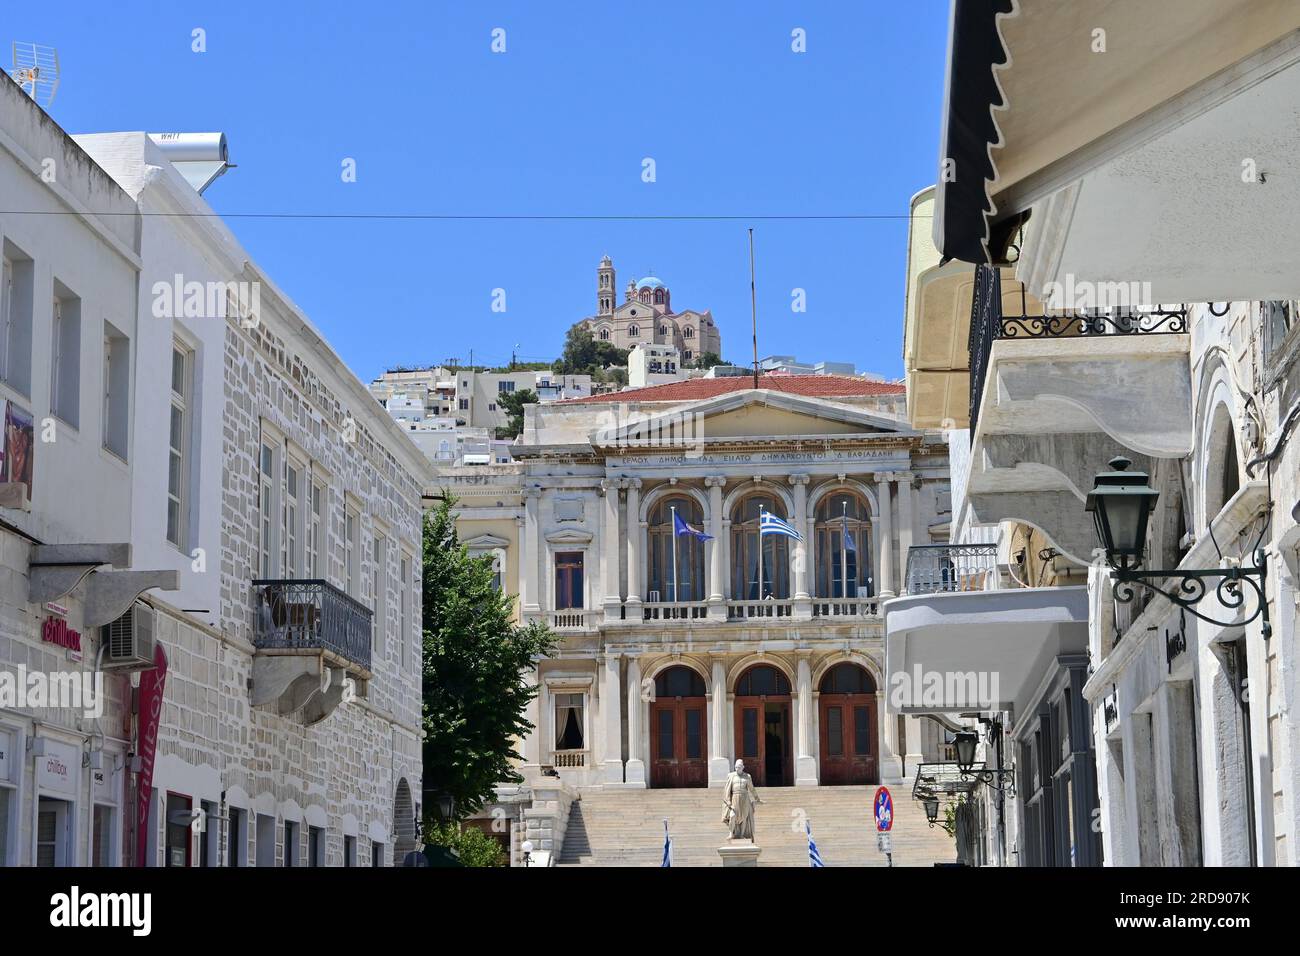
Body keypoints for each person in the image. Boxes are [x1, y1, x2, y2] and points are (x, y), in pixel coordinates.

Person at [721, 758, 761, 840]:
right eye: (736, 767)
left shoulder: (747, 776)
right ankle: (731, 833)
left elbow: (752, 789)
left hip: (745, 799)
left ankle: (742, 834)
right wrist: (729, 803)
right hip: (735, 798)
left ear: (743, 767)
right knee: (732, 816)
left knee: (744, 817)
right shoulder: (731, 776)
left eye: (739, 767)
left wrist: (757, 798)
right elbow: (727, 790)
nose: (737, 769)